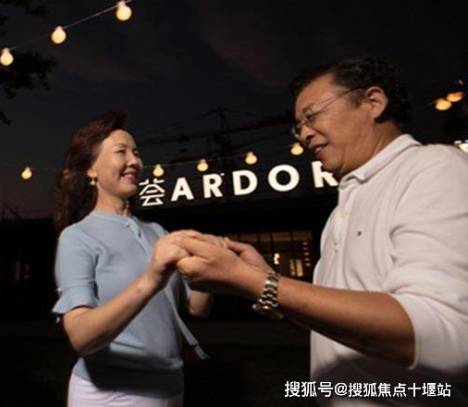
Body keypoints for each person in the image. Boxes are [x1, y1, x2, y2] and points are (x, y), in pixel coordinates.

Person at [173, 56, 468, 405]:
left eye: (312, 116)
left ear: (373, 102)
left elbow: (448, 337)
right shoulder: (343, 208)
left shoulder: (433, 169)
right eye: (298, 127)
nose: (304, 134)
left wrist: (256, 282)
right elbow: (333, 326)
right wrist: (265, 281)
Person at [52, 111, 213, 406]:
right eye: (121, 151)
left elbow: (197, 308)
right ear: (91, 169)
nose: (134, 161)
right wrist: (149, 281)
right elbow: (80, 337)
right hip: (111, 394)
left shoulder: (157, 231)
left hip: (172, 388)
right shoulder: (77, 236)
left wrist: (207, 266)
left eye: (136, 153)